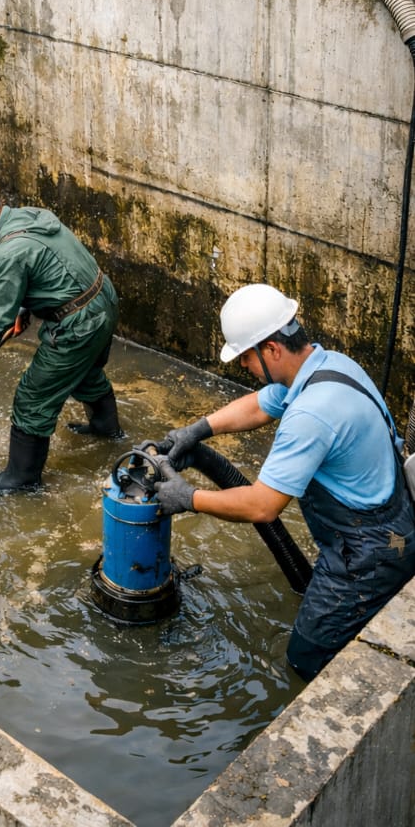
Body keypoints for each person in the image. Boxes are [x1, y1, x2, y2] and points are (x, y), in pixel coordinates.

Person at [156, 283, 415, 682]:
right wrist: (198, 431)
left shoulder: (311, 415)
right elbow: (261, 404)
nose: (244, 366)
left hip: (369, 554)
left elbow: (263, 506)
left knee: (305, 658)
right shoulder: (330, 366)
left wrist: (188, 497)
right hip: (392, 521)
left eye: (246, 357)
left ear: (272, 349)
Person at [0, 180, 123, 494]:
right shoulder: (30, 216)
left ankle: (21, 480)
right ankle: (108, 431)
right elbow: (45, 264)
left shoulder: (8, 254)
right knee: (85, 372)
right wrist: (24, 306)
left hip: (78, 323)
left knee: (31, 398)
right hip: (102, 300)